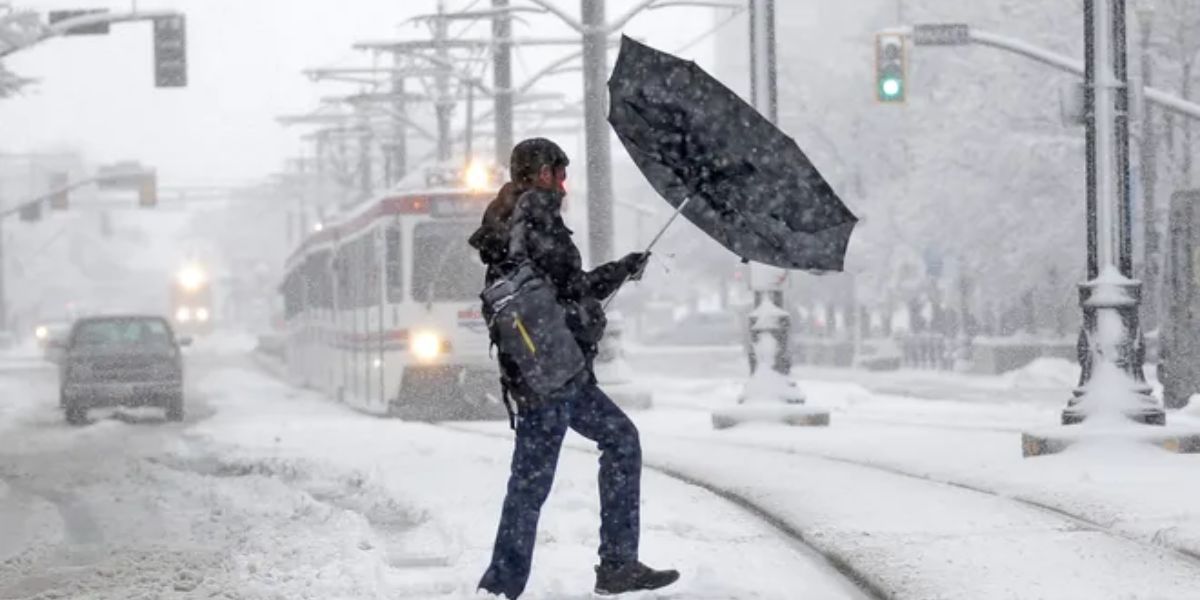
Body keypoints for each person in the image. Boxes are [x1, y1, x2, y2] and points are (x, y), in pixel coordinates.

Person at [469, 138, 679, 599]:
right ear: (543, 173)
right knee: (532, 482)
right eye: (560, 173)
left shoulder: (504, 220)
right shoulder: (538, 216)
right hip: (552, 375)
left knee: (617, 441)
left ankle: (616, 565)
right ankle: (503, 586)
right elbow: (571, 288)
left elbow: (553, 291)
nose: (564, 183)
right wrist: (615, 275)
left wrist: (618, 271)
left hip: (543, 370)